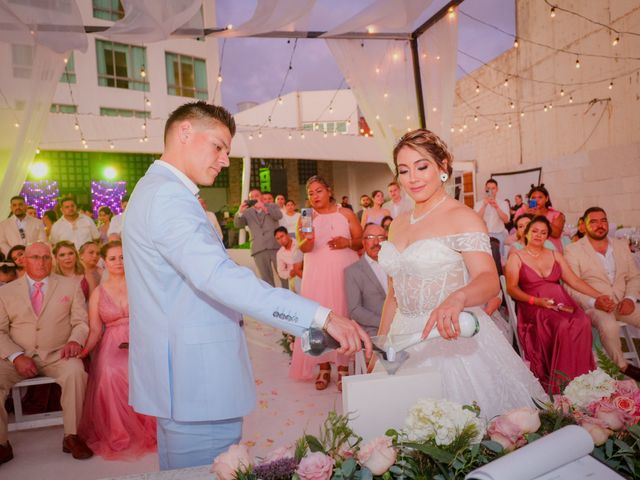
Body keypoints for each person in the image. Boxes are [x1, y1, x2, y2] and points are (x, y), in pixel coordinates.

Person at [122, 101, 371, 470]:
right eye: (219, 146)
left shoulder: (158, 189)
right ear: (185, 132)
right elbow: (218, 276)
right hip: (197, 383)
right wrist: (320, 316)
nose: (224, 160)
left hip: (190, 379)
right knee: (208, 471)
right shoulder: (167, 197)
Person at [374, 129, 545, 419]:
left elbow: (490, 281)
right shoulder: (397, 224)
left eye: (422, 166)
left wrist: (458, 298)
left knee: (460, 431)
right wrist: (380, 345)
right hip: (401, 340)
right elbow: (393, 295)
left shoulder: (462, 217)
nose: (412, 178)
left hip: (449, 338)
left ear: (442, 167)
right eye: (404, 170)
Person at [0, 242, 92, 465]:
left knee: (76, 373)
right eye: (34, 257)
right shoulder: (6, 291)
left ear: (51, 260)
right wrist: (16, 356)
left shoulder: (70, 285)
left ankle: (72, 436)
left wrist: (74, 340)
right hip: (17, 357)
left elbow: (81, 322)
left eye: (45, 257)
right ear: (24, 260)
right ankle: (2, 444)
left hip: (57, 355)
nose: (40, 262)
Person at [505, 216, 603, 392]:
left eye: (543, 233)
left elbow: (574, 281)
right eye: (534, 231)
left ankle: (582, 379)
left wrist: (599, 296)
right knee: (562, 325)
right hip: (533, 305)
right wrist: (536, 301)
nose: (538, 235)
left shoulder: (555, 255)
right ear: (526, 233)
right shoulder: (516, 257)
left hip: (560, 301)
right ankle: (562, 383)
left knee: (583, 322)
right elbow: (511, 288)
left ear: (548, 237)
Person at [78, 241, 156, 459]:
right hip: (112, 340)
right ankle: (118, 432)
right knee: (111, 372)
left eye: (122, 257)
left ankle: (150, 427)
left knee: (144, 369)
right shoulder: (98, 293)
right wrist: (84, 352)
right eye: (112, 258)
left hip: (142, 336)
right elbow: (95, 329)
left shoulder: (140, 285)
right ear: (105, 261)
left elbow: (153, 317)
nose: (118, 262)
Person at [290, 175, 363, 391]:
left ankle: (343, 368)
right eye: (310, 193)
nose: (314, 196)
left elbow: (361, 240)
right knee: (317, 318)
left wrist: (347, 242)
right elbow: (303, 249)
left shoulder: (346, 213)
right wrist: (307, 241)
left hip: (343, 272)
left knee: (342, 313)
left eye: (318, 191)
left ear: (329, 191)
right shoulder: (306, 216)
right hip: (316, 275)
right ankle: (323, 366)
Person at [564, 207, 640, 381]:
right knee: (609, 326)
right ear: (583, 225)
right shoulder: (573, 250)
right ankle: (624, 367)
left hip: (623, 303)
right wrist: (593, 302)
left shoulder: (620, 245)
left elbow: (635, 277)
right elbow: (570, 287)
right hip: (594, 307)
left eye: (603, 220)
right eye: (594, 221)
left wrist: (630, 298)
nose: (600, 225)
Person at [234, 188, 286, 288]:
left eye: (256, 196)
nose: (254, 198)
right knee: (266, 279)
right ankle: (272, 301)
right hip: (258, 248)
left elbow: (279, 216)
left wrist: (264, 208)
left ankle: (289, 298)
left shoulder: (272, 206)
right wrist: (240, 212)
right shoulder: (247, 212)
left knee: (283, 274)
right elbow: (238, 225)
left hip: (274, 245)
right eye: (251, 197)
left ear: (261, 197)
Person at [345, 223, 387, 337]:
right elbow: (355, 310)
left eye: (381, 238)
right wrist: (384, 323)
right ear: (363, 242)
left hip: (403, 327)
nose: (376, 242)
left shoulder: (395, 265)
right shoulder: (353, 271)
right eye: (371, 238)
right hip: (374, 331)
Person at [515, 185, 566, 252]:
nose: (536, 200)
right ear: (530, 200)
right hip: (529, 250)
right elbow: (519, 233)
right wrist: (527, 215)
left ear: (546, 198)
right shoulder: (523, 212)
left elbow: (557, 234)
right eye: (533, 198)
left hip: (552, 250)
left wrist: (540, 216)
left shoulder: (556, 214)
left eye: (540, 197)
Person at [474, 179, 510, 258]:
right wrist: (484, 205)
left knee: (499, 259)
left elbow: (506, 220)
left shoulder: (503, 203)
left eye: (493, 188)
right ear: (485, 190)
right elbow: (476, 220)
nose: (491, 191)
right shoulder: (478, 204)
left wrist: (497, 207)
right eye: (488, 188)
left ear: (497, 189)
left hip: (499, 235)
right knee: (485, 259)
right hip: (483, 236)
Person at [274, 226, 303, 293]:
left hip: (305, 273)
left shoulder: (299, 243)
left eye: (282, 236)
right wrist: (290, 273)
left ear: (287, 234)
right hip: (293, 278)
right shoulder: (280, 253)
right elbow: (281, 272)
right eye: (278, 239)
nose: (281, 240)